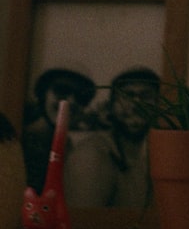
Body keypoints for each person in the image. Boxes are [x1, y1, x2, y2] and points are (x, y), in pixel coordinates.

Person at [65, 67, 160, 209]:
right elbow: (86, 222)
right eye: (127, 96)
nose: (135, 104)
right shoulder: (91, 154)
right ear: (111, 105)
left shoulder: (164, 154)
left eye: (146, 96)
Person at [21, 68, 96, 193]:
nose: (71, 101)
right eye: (62, 90)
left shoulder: (69, 146)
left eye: (81, 97)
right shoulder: (22, 140)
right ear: (42, 94)